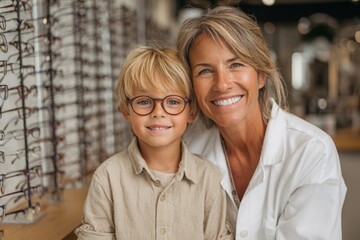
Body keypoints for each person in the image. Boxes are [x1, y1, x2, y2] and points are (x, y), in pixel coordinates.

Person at [177, 6, 347, 240]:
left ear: (261, 74)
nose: (222, 84)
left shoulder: (311, 152)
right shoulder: (189, 153)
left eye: (235, 65)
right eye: (205, 70)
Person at [75, 45, 233, 239]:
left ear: (191, 112)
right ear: (126, 110)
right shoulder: (107, 178)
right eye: (144, 101)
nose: (158, 112)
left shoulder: (208, 178)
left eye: (173, 101)